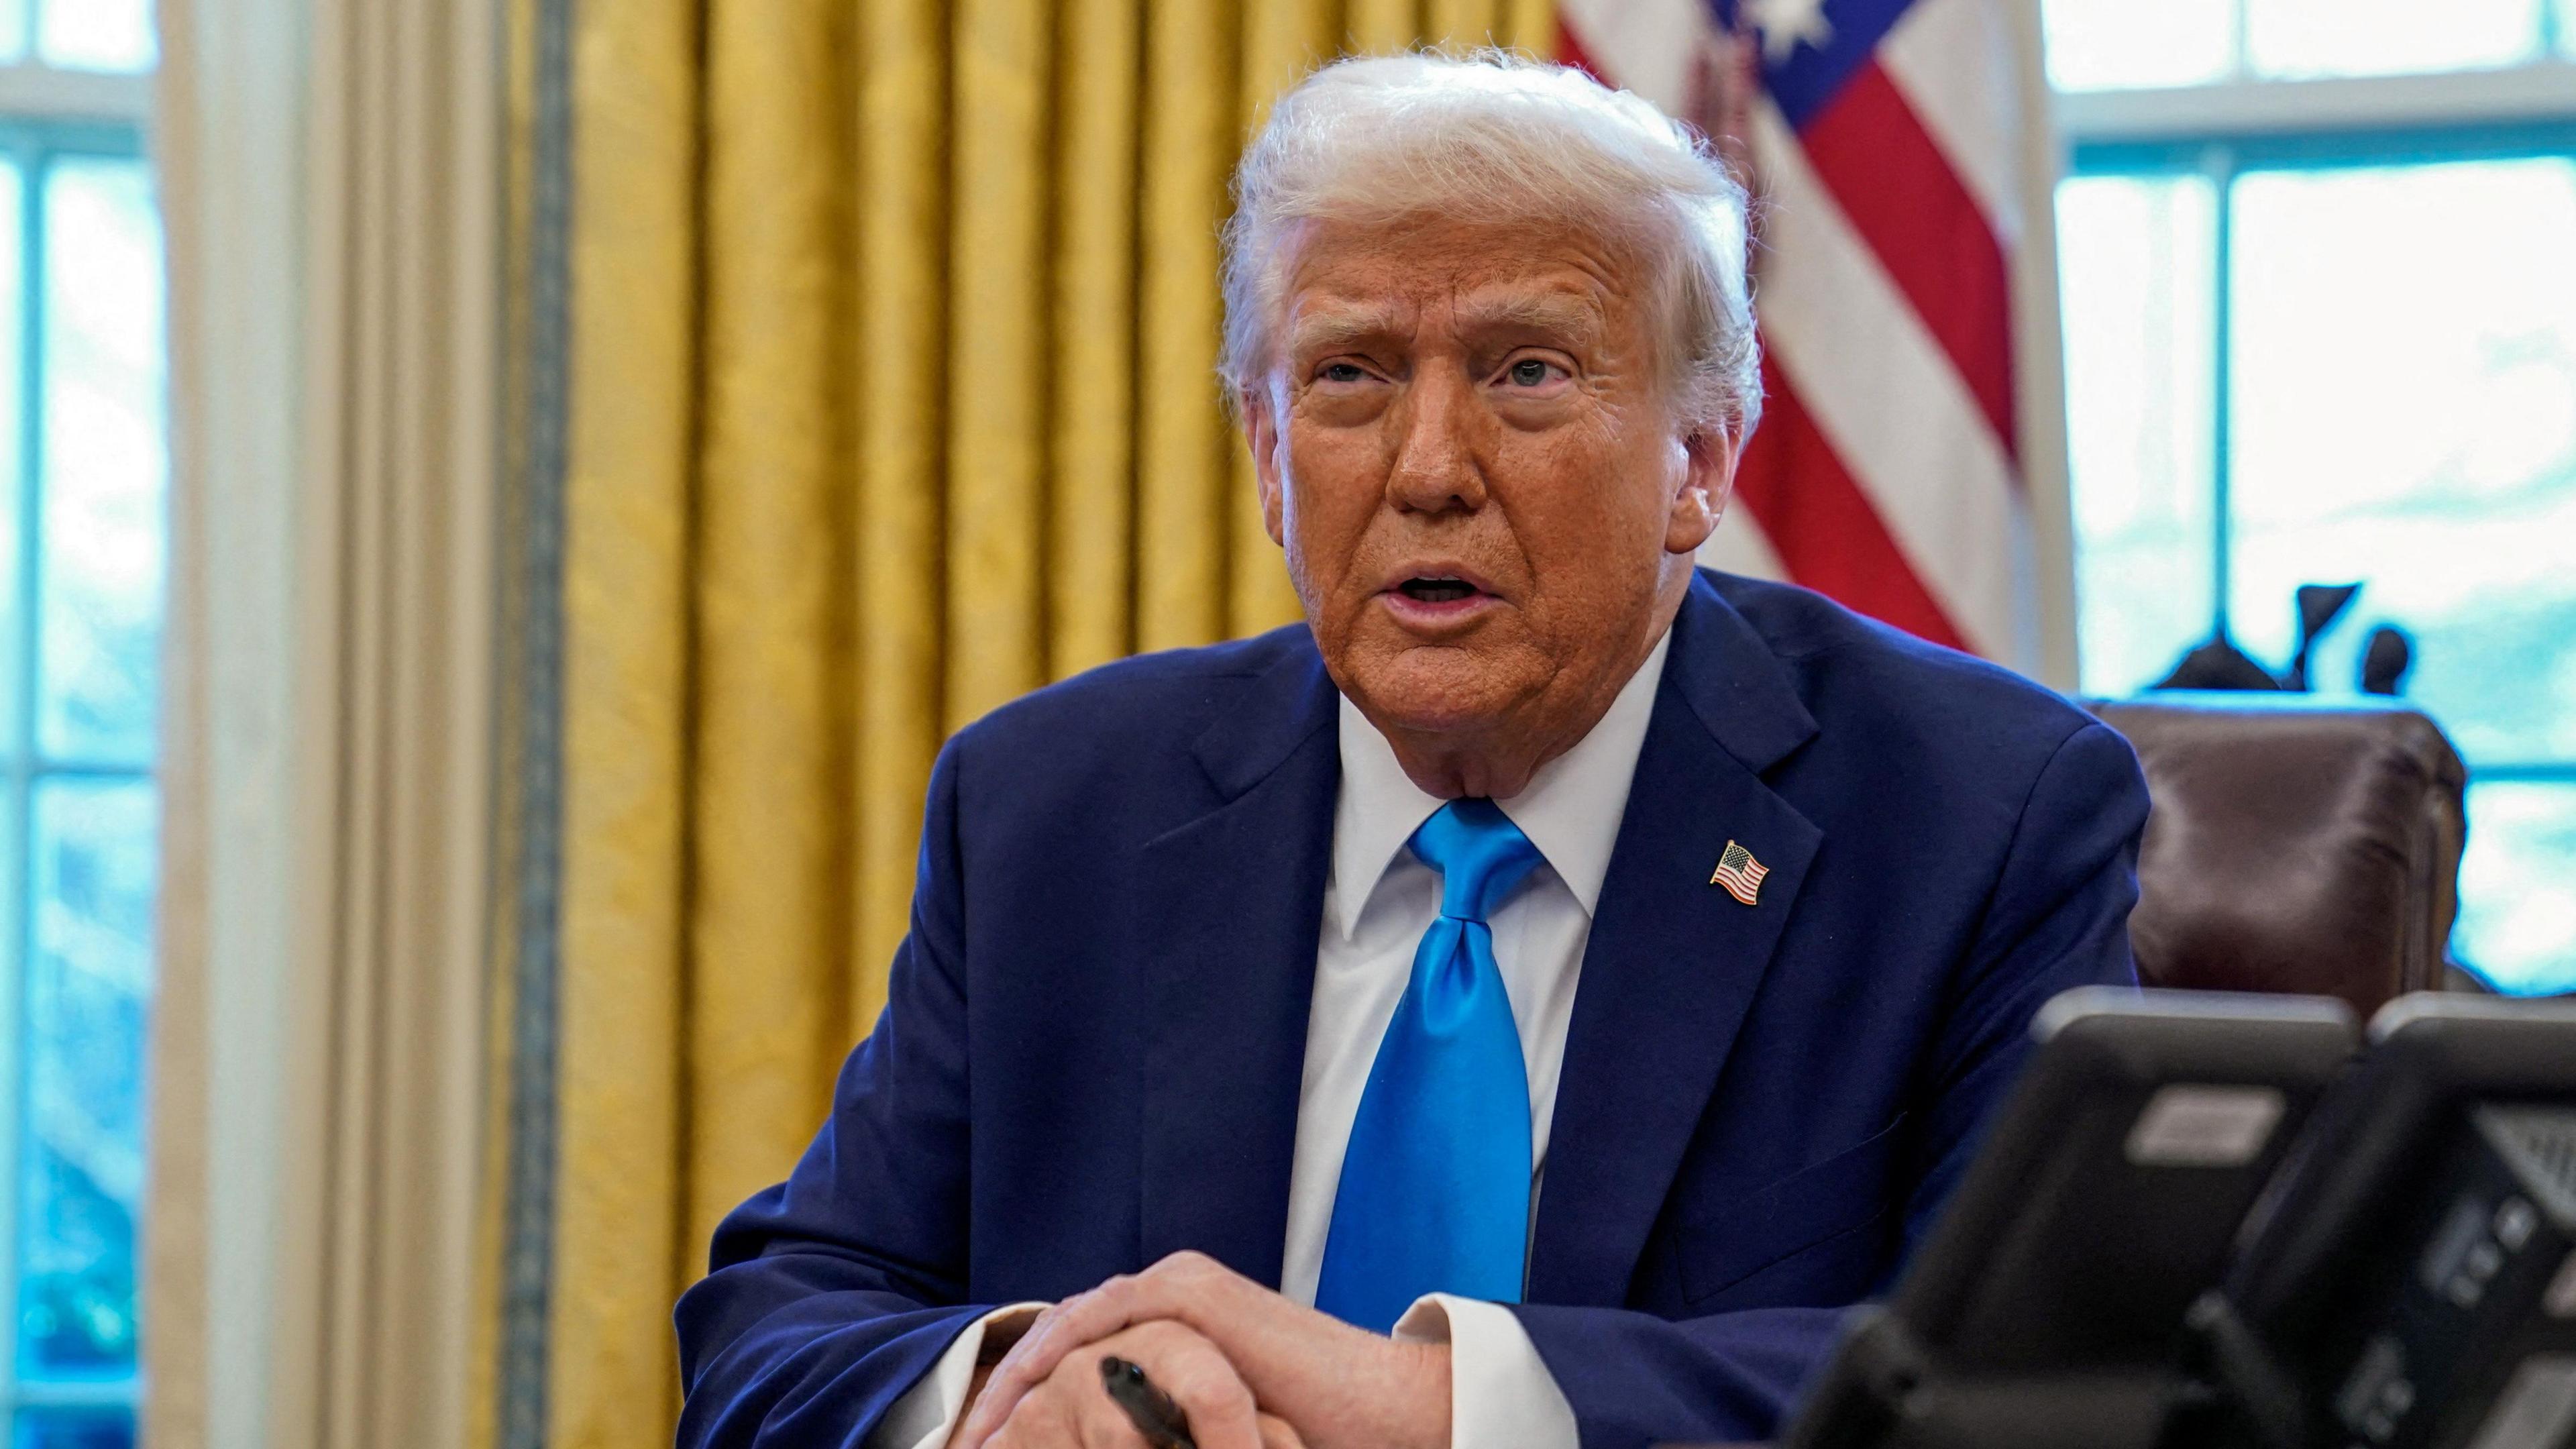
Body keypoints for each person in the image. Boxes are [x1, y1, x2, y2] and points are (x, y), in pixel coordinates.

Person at [675, 52, 2149, 1449]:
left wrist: (1442, 1407)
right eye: (1350, 377)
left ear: (1699, 459)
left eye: (1526, 373)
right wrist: (1026, 1389)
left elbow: (2049, 1384)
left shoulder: (1977, 817)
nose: (1430, 467)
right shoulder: (1052, 809)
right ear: (1267, 455)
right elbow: (773, 1332)